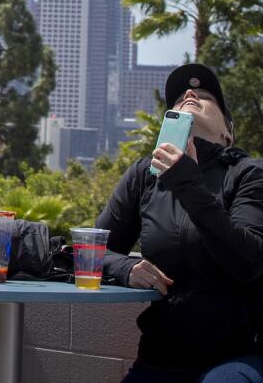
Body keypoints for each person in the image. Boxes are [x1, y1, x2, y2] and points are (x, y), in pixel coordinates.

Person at [98, 63, 263, 383]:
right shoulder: (144, 176)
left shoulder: (248, 173)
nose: (189, 94)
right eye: (179, 100)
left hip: (237, 357)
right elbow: (91, 249)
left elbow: (249, 261)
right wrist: (126, 268)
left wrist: (188, 183)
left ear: (227, 133)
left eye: (204, 96)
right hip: (161, 358)